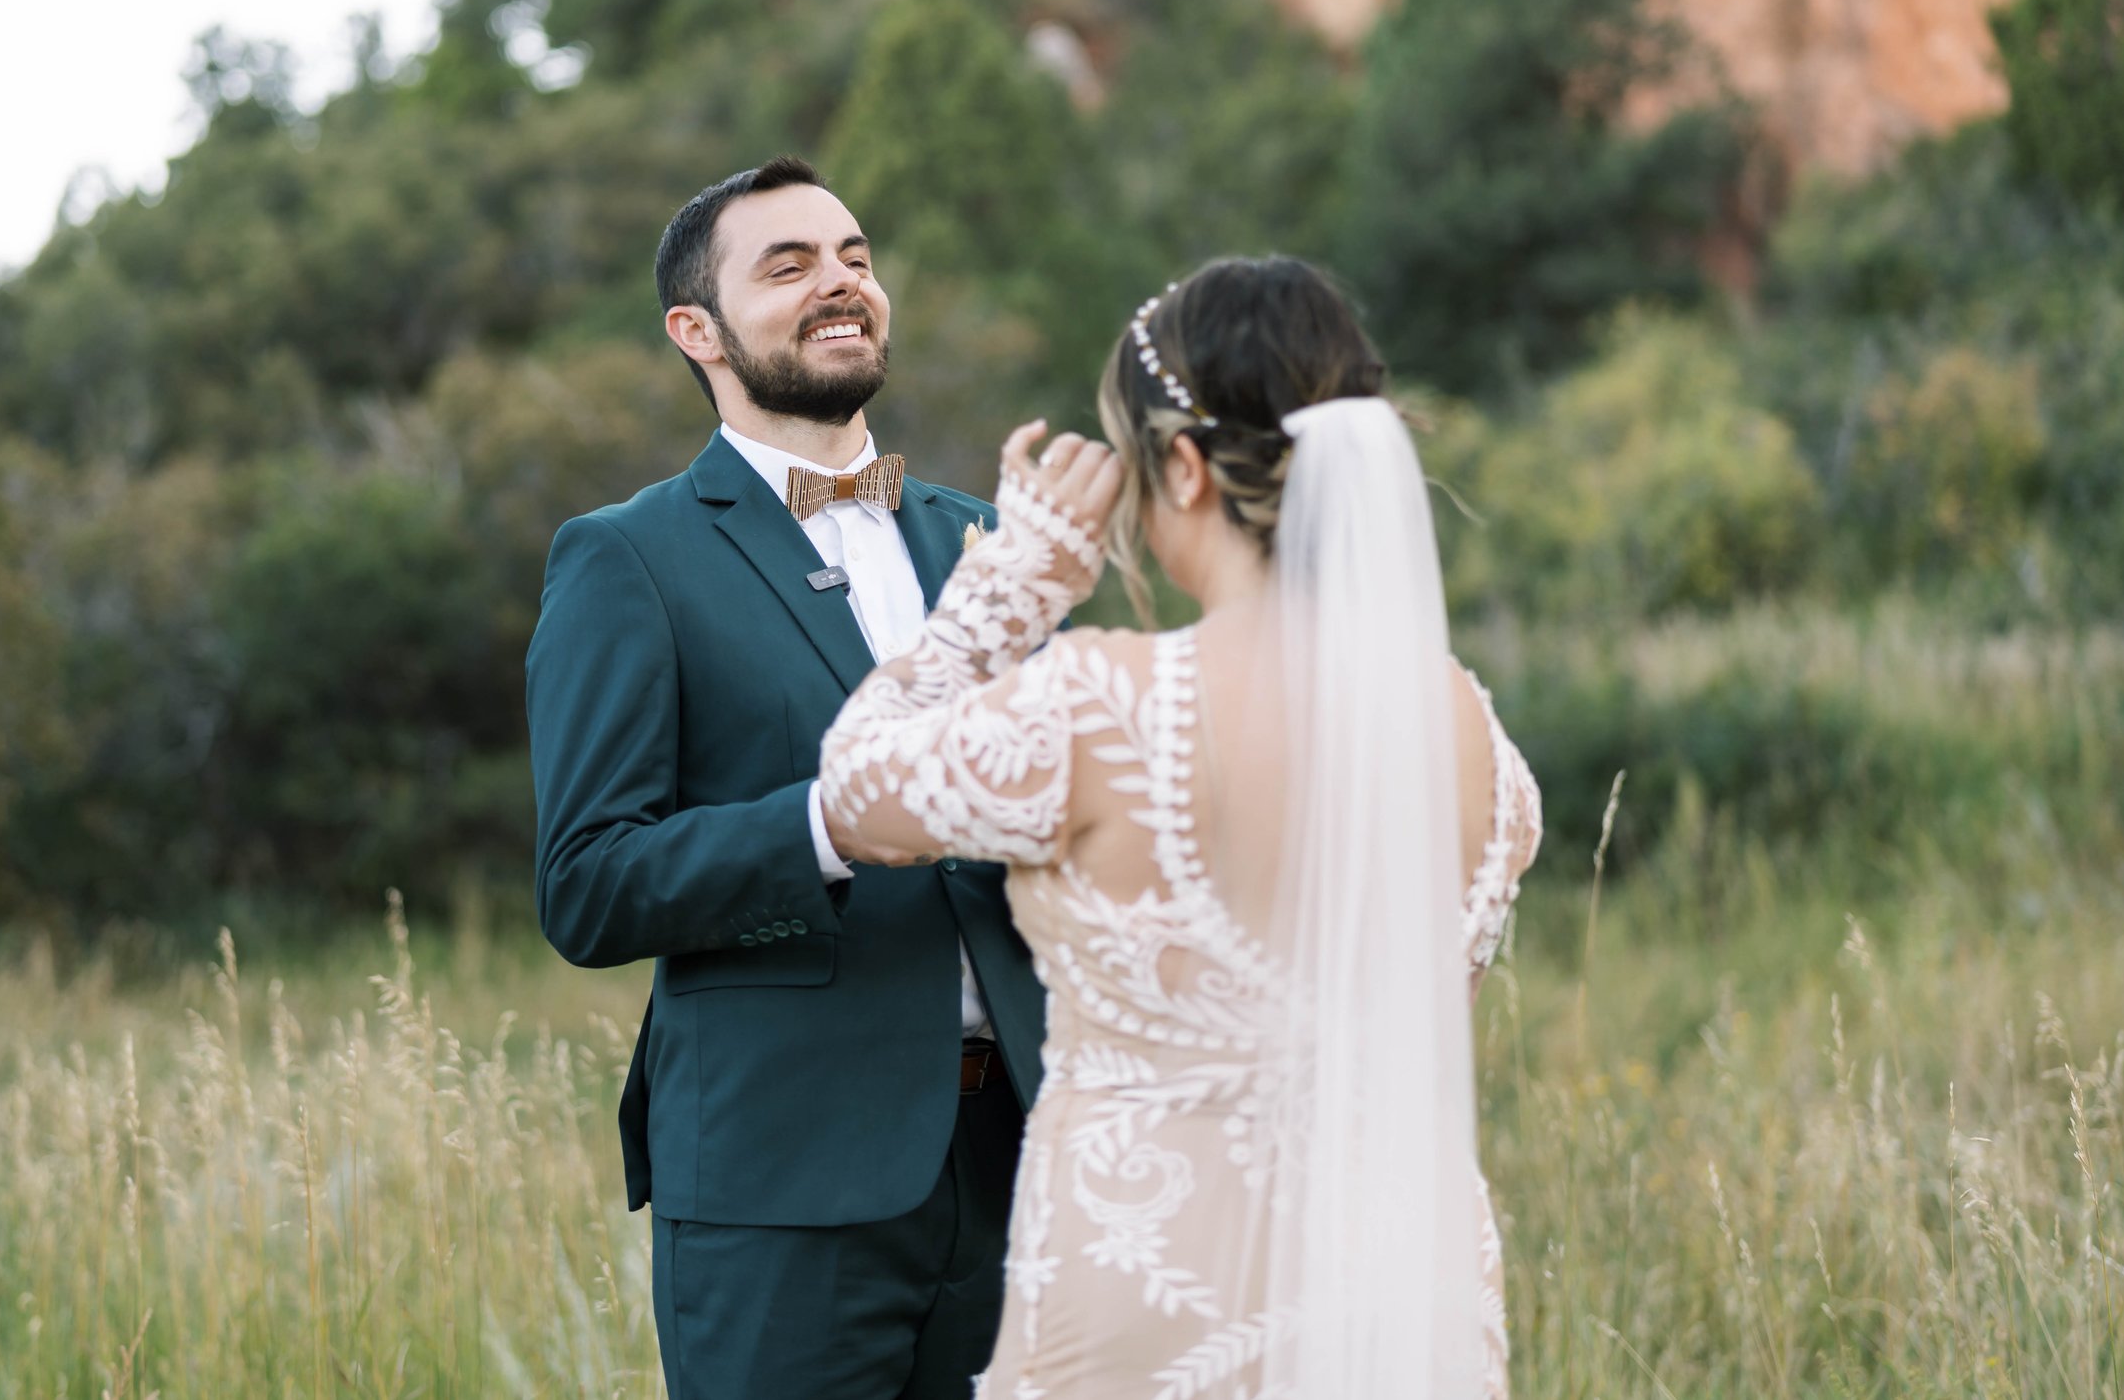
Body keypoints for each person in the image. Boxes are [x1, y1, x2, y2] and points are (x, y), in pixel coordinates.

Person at [818, 256, 1545, 1398]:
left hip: (1151, 1290)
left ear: (1188, 469)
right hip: (1402, 1291)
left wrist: (1014, 578)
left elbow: (854, 785)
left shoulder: (1101, 707)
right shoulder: (1477, 740)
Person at [525, 158, 1046, 1400]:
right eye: (790, 263)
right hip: (783, 1181)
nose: (840, 283)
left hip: (1035, 1155)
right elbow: (590, 885)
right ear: (694, 330)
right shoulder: (627, 559)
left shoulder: (996, 544)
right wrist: (826, 827)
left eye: (856, 256)